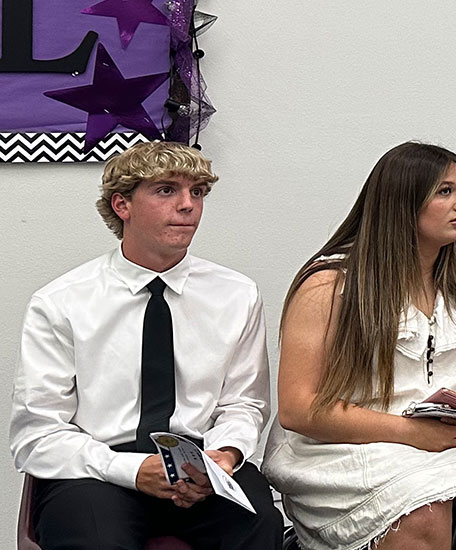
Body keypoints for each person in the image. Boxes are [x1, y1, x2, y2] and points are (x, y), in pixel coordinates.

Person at [268, 142, 456, 550]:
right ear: (402, 203)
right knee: (421, 511)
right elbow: (298, 407)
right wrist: (409, 432)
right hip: (360, 439)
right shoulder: (330, 283)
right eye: (445, 191)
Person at [12, 142, 284, 549]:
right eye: (166, 190)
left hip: (203, 464)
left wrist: (224, 456)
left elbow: (244, 403)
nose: (188, 205)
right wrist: (133, 470)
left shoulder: (237, 294)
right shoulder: (61, 302)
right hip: (99, 469)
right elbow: (38, 432)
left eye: (197, 192)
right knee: (95, 539)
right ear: (122, 205)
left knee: (260, 524)